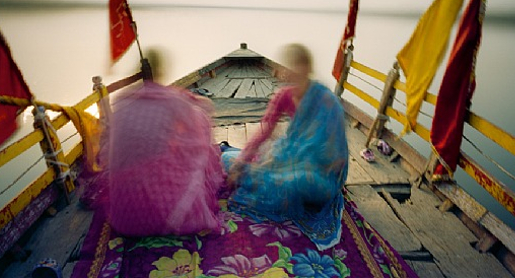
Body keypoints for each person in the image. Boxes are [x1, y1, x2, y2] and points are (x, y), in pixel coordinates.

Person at [222, 43, 349, 250]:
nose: (290, 71)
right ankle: (262, 177)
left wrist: (295, 160)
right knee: (229, 160)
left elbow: (334, 152)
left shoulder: (326, 100)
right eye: (287, 66)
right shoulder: (283, 96)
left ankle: (266, 181)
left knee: (295, 181)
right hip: (289, 156)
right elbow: (264, 133)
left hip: (320, 173)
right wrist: (241, 164)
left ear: (307, 68)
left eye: (296, 65)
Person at [98, 47, 225, 237]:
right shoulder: (173, 101)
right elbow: (196, 145)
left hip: (125, 220)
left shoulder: (122, 101)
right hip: (166, 217)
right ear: (162, 71)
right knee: (200, 127)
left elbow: (108, 149)